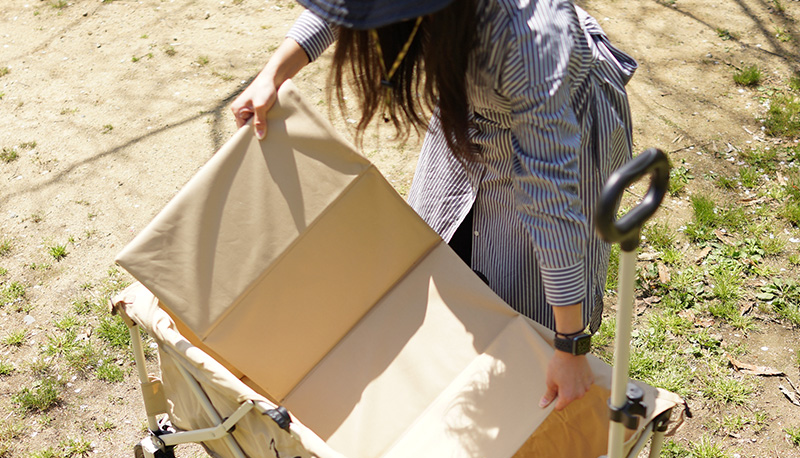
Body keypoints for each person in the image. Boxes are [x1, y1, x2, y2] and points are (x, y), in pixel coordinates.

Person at [230, 0, 637, 411]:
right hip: (472, 115)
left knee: (524, 301)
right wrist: (273, 73)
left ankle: (523, 395)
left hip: (557, 130)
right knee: (433, 256)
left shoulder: (530, 39)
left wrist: (568, 346)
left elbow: (551, 199)